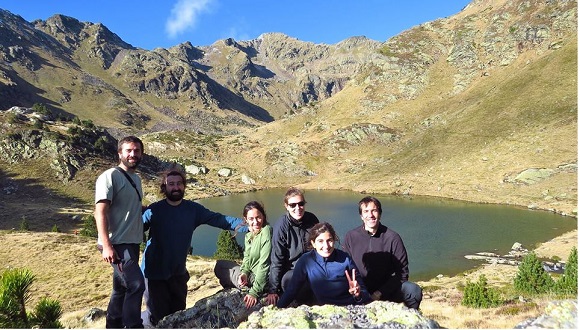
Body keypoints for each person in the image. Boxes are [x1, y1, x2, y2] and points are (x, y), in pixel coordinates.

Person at [141, 165, 247, 326]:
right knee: (158, 319)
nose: (175, 187)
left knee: (179, 316)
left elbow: (220, 220)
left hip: (178, 273)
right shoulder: (155, 210)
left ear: (184, 186)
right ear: (165, 187)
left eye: (179, 183)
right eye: (171, 184)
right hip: (154, 275)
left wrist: (251, 224)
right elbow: (134, 229)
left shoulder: (193, 210)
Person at [94, 135, 146, 329]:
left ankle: (113, 325)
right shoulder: (110, 176)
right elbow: (100, 211)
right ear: (120, 153)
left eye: (137, 151)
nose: (133, 154)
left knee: (121, 288)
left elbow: (130, 208)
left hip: (131, 242)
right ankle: (133, 325)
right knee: (136, 284)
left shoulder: (136, 179)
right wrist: (106, 245)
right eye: (129, 150)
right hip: (117, 244)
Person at [343, 196, 423, 310]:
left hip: (386, 290)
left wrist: (380, 293)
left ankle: (412, 320)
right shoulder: (351, 237)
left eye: (374, 210)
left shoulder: (392, 238)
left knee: (412, 290)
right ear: (361, 216)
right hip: (359, 289)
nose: (370, 215)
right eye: (366, 211)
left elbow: (402, 273)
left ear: (380, 214)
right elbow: (345, 268)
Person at [277, 222, 371, 307]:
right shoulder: (306, 260)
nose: (326, 246)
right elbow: (292, 290)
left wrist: (358, 294)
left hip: (349, 307)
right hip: (324, 310)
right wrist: (277, 309)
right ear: (313, 243)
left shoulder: (345, 259)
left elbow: (364, 295)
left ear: (334, 240)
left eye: (329, 240)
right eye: (320, 241)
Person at [265, 187, 320, 306]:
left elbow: (321, 246)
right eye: (292, 205)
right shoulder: (282, 226)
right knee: (293, 282)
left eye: (301, 204)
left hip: (312, 268)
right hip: (292, 271)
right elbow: (277, 259)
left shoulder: (312, 219)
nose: (297, 208)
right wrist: (273, 290)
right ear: (286, 206)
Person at [214, 201, 273, 309]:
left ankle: (243, 288)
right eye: (251, 219)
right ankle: (239, 283)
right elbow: (246, 258)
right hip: (250, 275)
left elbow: (265, 264)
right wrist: (244, 273)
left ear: (263, 217)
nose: (255, 222)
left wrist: (254, 292)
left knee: (221, 269)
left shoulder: (266, 231)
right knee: (221, 264)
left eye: (258, 217)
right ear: (245, 220)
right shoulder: (249, 236)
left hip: (261, 279)